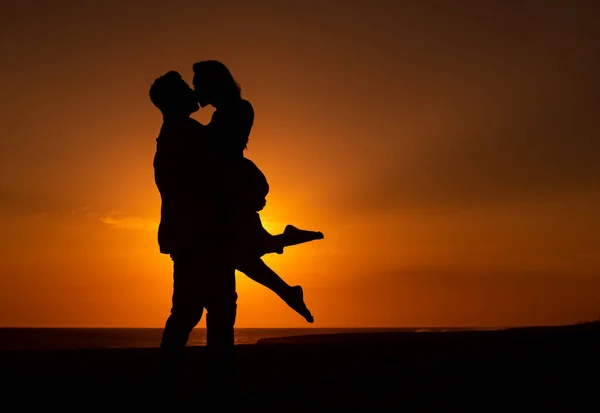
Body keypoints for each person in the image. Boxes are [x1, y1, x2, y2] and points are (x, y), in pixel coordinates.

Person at [192, 60, 323, 323]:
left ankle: (285, 266)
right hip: (231, 186)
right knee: (242, 253)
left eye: (198, 84)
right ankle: (287, 279)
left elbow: (220, 149)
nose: (195, 90)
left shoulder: (236, 110)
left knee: (241, 252)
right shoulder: (229, 111)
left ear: (212, 84)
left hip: (232, 189)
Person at [150, 71, 237, 399]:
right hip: (200, 238)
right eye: (187, 90)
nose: (193, 93)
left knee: (196, 310)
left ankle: (178, 381)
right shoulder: (183, 133)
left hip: (193, 236)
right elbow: (219, 157)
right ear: (173, 100)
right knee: (210, 309)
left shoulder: (176, 133)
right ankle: (212, 385)